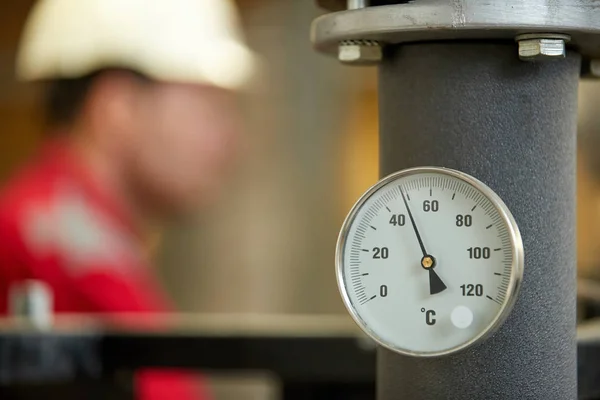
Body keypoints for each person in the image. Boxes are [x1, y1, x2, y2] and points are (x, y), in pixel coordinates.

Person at [0, 0, 256, 398]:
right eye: (209, 105)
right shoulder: (61, 252)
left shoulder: (53, 227)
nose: (230, 140)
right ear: (117, 106)